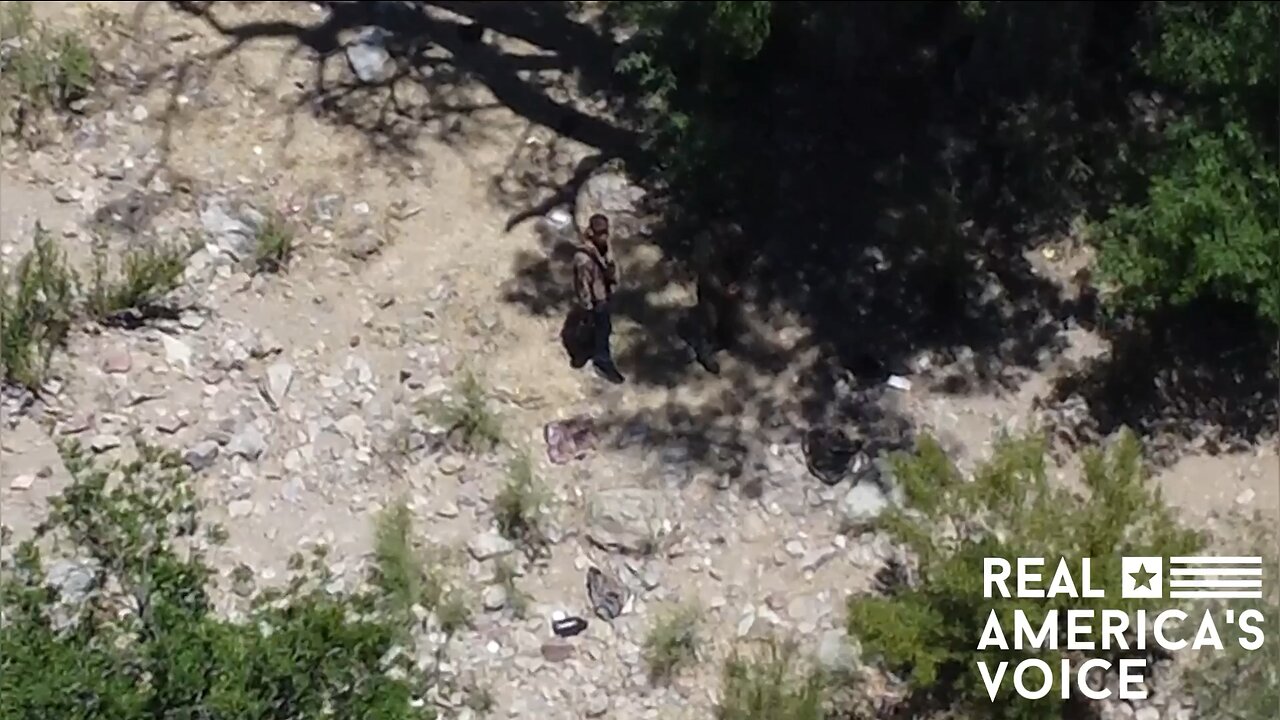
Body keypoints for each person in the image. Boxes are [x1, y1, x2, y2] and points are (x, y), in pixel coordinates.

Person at [571, 213, 625, 384]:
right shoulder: (583, 258)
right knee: (601, 327)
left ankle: (592, 348)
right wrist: (588, 306)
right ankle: (602, 361)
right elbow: (582, 286)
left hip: (605, 292)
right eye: (600, 233)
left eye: (605, 232)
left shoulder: (604, 246)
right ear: (592, 232)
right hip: (596, 299)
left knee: (603, 327)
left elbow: (611, 265)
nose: (604, 236)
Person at [688, 222, 748, 375]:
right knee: (709, 322)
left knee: (727, 320)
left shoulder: (736, 237)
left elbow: (741, 264)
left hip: (728, 283)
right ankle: (705, 355)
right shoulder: (705, 240)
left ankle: (724, 341)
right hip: (710, 288)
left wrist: (737, 283)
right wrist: (723, 290)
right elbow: (704, 271)